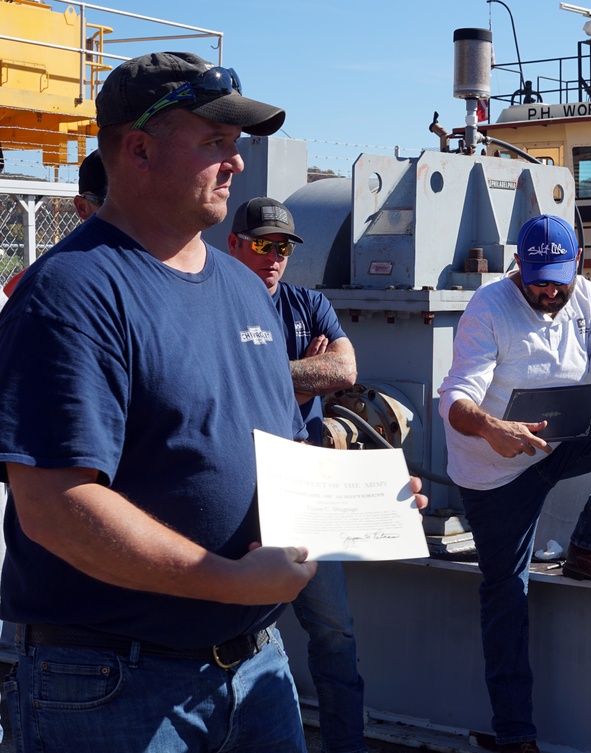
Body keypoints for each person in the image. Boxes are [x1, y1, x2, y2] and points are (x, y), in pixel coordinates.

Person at [0, 51, 352, 753]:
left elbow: (273, 453)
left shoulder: (244, 288)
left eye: (238, 145)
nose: (238, 163)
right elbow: (55, 504)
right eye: (216, 142)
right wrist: (225, 580)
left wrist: (359, 498)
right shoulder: (72, 292)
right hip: (114, 689)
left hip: (255, 669)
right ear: (138, 149)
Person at [438, 213, 591, 753]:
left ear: (576, 268)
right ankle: (515, 734)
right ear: (519, 266)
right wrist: (493, 428)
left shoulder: (586, 298)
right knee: (506, 593)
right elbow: (455, 396)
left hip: (561, 445)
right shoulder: (488, 307)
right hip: (496, 468)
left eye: (557, 281)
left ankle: (590, 546)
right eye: (536, 279)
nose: (546, 291)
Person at [229, 196, 366, 753]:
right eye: (263, 244)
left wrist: (269, 374)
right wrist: (303, 377)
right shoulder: (215, 307)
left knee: (335, 631)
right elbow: (221, 384)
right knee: (234, 631)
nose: (274, 257)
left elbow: (346, 369)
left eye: (283, 247)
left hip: (306, 488)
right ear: (234, 244)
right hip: (241, 492)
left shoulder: (308, 303)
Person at [2, 149, 107, 297]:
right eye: (109, 202)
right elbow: (14, 290)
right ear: (82, 207)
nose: (128, 212)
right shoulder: (66, 267)